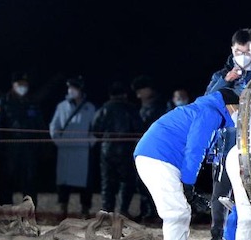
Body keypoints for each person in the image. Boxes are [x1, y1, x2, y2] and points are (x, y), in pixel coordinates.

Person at [133, 88, 240, 240]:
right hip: (159, 158)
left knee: (179, 211)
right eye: (237, 108)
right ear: (230, 105)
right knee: (177, 213)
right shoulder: (210, 113)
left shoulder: (205, 110)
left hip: (156, 156)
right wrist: (188, 185)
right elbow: (195, 149)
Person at [203, 28, 251, 240]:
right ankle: (216, 236)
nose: (243, 55)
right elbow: (207, 100)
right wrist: (226, 80)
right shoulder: (221, 75)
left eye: (247, 51)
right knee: (221, 190)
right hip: (227, 139)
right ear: (232, 50)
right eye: (239, 51)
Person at [0, 72, 47, 207]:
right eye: (20, 84)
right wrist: (1, 147)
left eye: (25, 85)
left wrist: (41, 145)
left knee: (29, 185)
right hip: (10, 149)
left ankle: (29, 218)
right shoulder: (4, 101)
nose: (23, 87)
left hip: (28, 150)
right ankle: (4, 219)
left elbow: (40, 125)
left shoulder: (31, 102)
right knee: (6, 184)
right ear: (13, 85)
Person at [91, 81, 143, 215]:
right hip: (126, 148)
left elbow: (95, 129)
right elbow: (139, 128)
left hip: (107, 149)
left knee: (107, 181)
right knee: (126, 181)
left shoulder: (104, 109)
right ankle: (123, 210)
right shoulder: (131, 109)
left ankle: (107, 211)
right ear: (125, 95)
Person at [49, 76, 97, 219]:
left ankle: (85, 209)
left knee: (84, 182)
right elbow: (54, 126)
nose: (71, 90)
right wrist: (58, 141)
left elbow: (95, 128)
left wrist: (90, 142)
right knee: (63, 181)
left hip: (82, 151)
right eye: (70, 87)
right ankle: (62, 207)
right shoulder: (61, 106)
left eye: (74, 87)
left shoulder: (90, 107)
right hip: (65, 150)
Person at [131, 75, 166, 220]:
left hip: (155, 149)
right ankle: (146, 211)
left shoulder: (158, 107)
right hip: (143, 148)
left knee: (154, 183)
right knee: (142, 183)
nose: (139, 94)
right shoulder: (142, 108)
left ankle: (154, 212)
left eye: (142, 90)